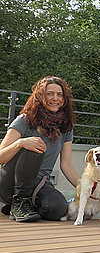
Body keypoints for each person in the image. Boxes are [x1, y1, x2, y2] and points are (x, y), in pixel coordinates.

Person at [0, 76, 79, 222]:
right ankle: (19, 202)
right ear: (39, 96)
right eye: (50, 93)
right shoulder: (24, 120)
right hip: (11, 181)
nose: (55, 98)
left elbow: (66, 164)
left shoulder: (65, 127)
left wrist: (83, 188)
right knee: (33, 145)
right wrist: (20, 143)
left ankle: (16, 206)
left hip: (39, 182)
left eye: (59, 94)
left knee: (57, 209)